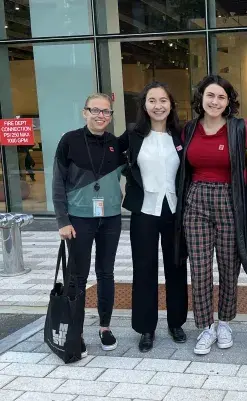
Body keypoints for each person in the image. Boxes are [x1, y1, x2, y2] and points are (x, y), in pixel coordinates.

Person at [175, 75, 247, 355]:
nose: (215, 101)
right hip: (196, 200)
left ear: (228, 102)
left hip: (229, 201)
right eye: (210, 96)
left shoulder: (241, 128)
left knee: (228, 267)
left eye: (221, 97)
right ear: (201, 98)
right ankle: (206, 326)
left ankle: (224, 322)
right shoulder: (189, 129)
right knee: (199, 269)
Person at [118, 81, 188, 352]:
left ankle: (176, 322)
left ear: (171, 105)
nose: (158, 106)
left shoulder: (181, 134)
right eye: (152, 101)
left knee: (176, 267)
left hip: (174, 210)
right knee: (144, 270)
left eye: (163, 101)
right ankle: (146, 328)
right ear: (144, 105)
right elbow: (110, 156)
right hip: (144, 211)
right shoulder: (133, 134)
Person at [52, 93, 124, 357]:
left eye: (106, 112)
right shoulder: (69, 140)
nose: (101, 115)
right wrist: (62, 220)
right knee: (78, 276)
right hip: (78, 219)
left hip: (110, 218)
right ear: (85, 112)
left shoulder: (116, 144)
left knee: (106, 273)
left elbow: (135, 173)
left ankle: (105, 327)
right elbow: (58, 182)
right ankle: (76, 331)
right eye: (95, 110)